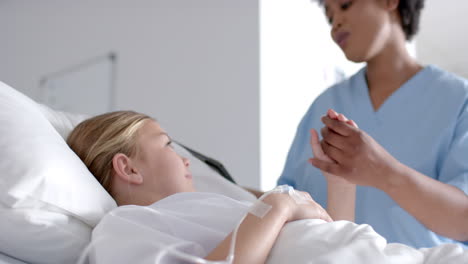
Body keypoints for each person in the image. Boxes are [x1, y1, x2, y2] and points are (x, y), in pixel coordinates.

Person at [278, 0, 468, 248]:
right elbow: (287, 205)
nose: (335, 23)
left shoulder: (458, 100)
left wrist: (383, 171)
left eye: (344, 5)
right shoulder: (324, 105)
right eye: (329, 16)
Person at [66, 111, 334, 264]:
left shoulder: (208, 209)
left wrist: (339, 181)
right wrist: (278, 206)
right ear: (129, 169)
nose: (185, 159)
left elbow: (330, 236)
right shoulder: (121, 227)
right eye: (167, 144)